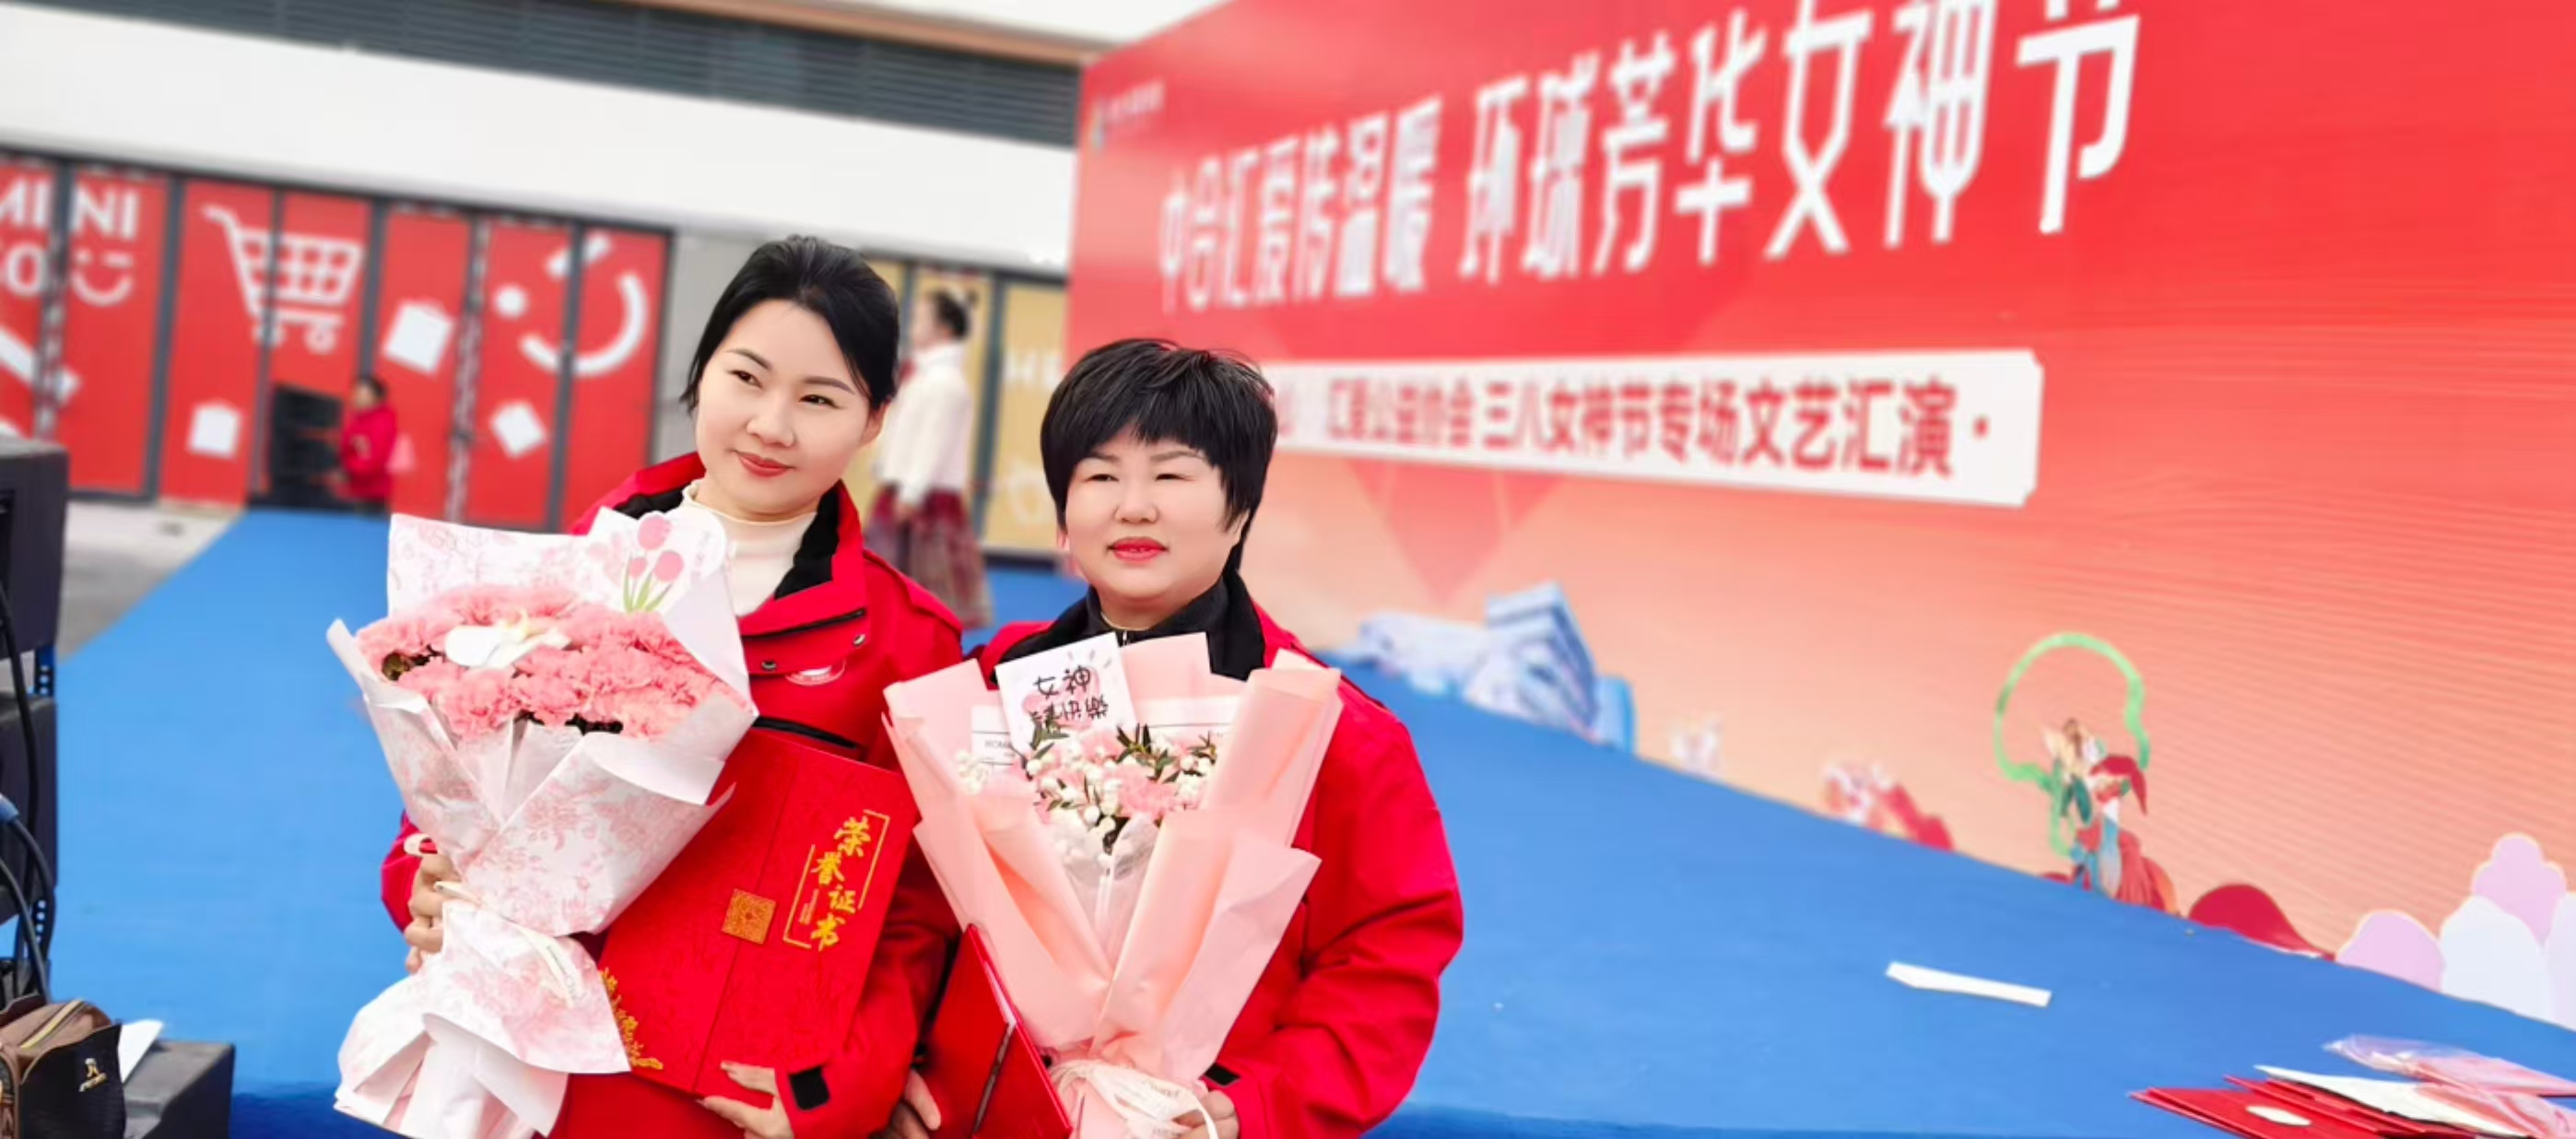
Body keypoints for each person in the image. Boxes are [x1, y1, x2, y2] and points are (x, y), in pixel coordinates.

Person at [381, 237, 961, 1139]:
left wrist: (834, 1092)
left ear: (874, 419)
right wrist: (420, 884)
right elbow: (452, 789)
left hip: (724, 1087)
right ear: (702, 373)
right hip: (525, 1056)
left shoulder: (905, 641)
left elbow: (914, 908)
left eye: (819, 399)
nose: (771, 425)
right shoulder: (569, 567)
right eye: (747, 378)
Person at [891, 339, 1465, 1139]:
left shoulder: (1329, 728)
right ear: (1062, 511)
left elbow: (1386, 955)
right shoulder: (987, 691)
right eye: (1100, 476)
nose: (1133, 507)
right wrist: (897, 1061)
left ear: (1240, 508)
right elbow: (910, 910)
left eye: (1170, 475)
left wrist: (1254, 1105)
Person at [865, 288, 992, 628]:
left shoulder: (945, 382)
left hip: (922, 497)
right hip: (908, 490)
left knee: (925, 589)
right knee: (891, 583)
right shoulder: (925, 376)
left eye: (921, 320)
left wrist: (911, 493)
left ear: (944, 330)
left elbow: (931, 444)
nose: (914, 327)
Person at [339, 373, 397, 516]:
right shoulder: (358, 419)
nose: (355, 397)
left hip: (372, 496)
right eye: (355, 392)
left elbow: (374, 460)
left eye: (361, 393)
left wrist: (348, 471)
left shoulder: (381, 423)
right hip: (356, 491)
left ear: (374, 397)